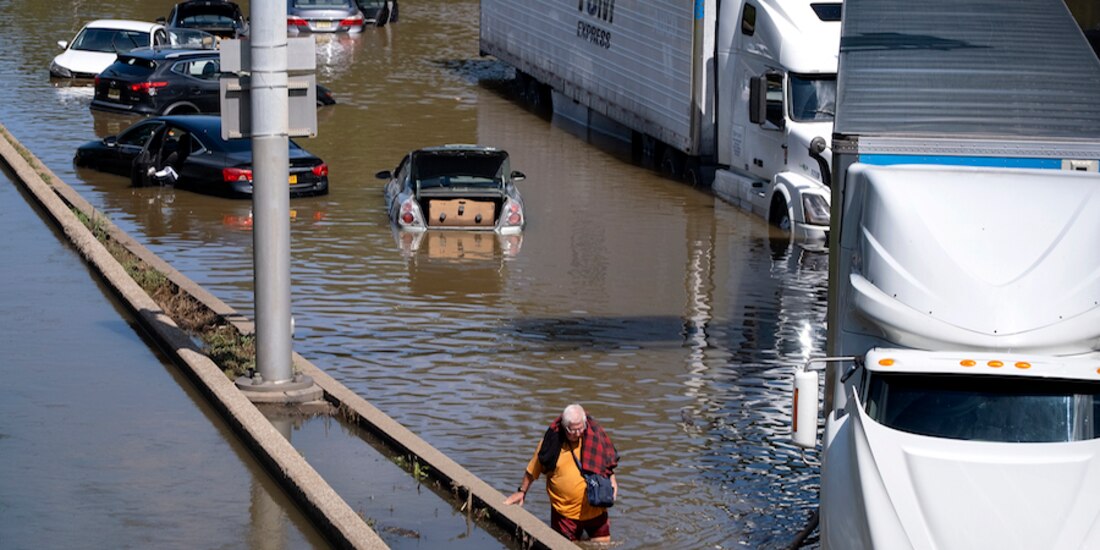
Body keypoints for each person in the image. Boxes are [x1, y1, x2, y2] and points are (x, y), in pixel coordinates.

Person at [504, 404, 620, 542]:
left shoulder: (594, 437)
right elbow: (532, 470)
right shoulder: (551, 444)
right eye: (573, 430)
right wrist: (522, 491)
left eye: (581, 428)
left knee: (603, 545)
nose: (578, 433)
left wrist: (612, 479)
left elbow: (606, 462)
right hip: (565, 514)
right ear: (564, 427)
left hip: (595, 509)